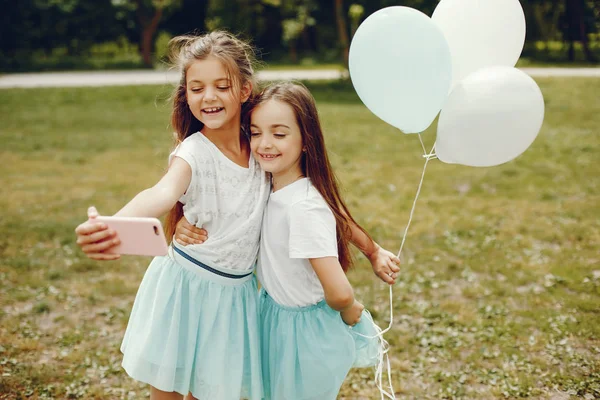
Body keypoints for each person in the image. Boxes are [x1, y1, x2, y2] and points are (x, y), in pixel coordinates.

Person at [74, 31, 270, 400]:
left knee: (206, 391)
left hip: (233, 296)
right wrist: (113, 226)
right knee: (168, 391)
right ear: (186, 94)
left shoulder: (262, 143)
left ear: (245, 90)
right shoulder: (193, 152)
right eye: (196, 88)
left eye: (221, 86)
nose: (208, 97)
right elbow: (162, 192)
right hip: (186, 290)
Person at [175, 81, 400, 399]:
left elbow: (338, 290)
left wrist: (349, 307)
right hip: (274, 314)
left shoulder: (303, 208)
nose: (264, 144)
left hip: (301, 332)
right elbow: (341, 219)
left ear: (306, 140)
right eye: (255, 133)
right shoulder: (268, 180)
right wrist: (372, 251)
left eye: (279, 134)